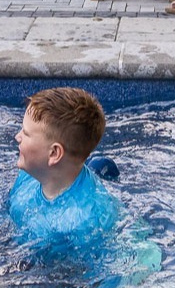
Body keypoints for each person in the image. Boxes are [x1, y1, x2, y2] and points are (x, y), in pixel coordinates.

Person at [8, 87, 120, 249]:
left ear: (54, 153)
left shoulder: (84, 222)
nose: (17, 137)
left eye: (26, 133)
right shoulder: (28, 174)